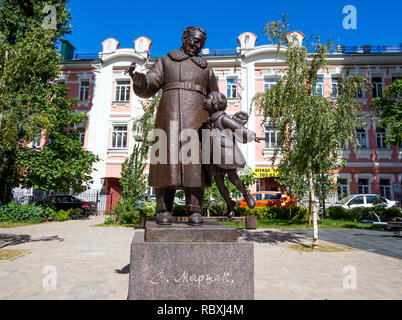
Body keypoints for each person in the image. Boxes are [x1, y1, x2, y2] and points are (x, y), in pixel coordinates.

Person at [127, 26, 219, 226]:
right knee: (165, 162)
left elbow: (216, 97)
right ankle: (163, 209)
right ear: (184, 38)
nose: (197, 45)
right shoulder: (165, 61)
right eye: (194, 40)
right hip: (168, 116)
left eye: (201, 43)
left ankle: (195, 211)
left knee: (195, 165)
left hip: (197, 119)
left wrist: (218, 102)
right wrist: (138, 79)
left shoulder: (206, 69)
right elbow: (149, 87)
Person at [202, 91, 258, 218]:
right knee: (220, 185)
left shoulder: (223, 118)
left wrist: (251, 135)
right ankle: (229, 203)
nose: (205, 101)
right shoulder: (207, 122)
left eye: (208, 99)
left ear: (215, 104)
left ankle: (246, 194)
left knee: (234, 180)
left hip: (226, 155)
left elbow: (239, 127)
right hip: (213, 157)